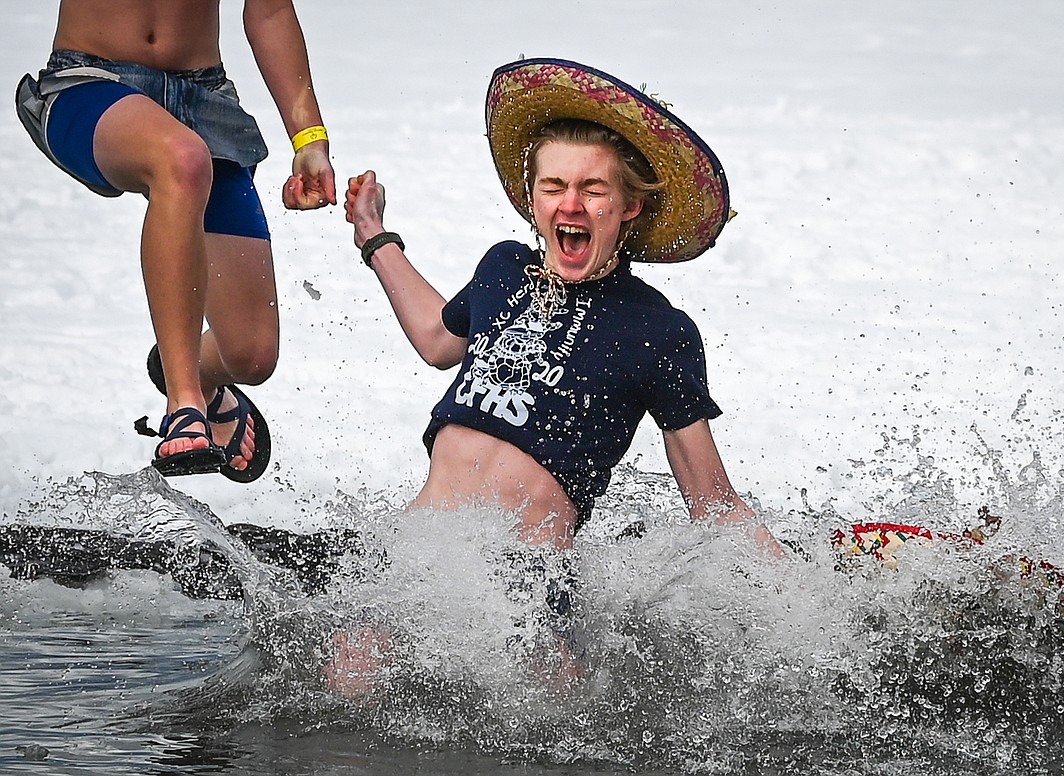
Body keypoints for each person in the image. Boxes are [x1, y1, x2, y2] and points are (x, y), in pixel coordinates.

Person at [344, 57, 781, 555]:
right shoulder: (504, 269)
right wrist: (375, 236)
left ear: (628, 206)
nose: (569, 204)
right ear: (533, 198)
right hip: (418, 551)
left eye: (592, 189)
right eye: (553, 187)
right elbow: (436, 338)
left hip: (527, 582)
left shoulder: (656, 330)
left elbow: (713, 504)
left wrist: (808, 587)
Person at [14, 0, 336, 481]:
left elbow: (269, 11)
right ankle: (183, 404)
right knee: (183, 160)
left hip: (202, 97)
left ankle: (196, 378)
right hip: (88, 84)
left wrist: (308, 139)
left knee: (251, 355)